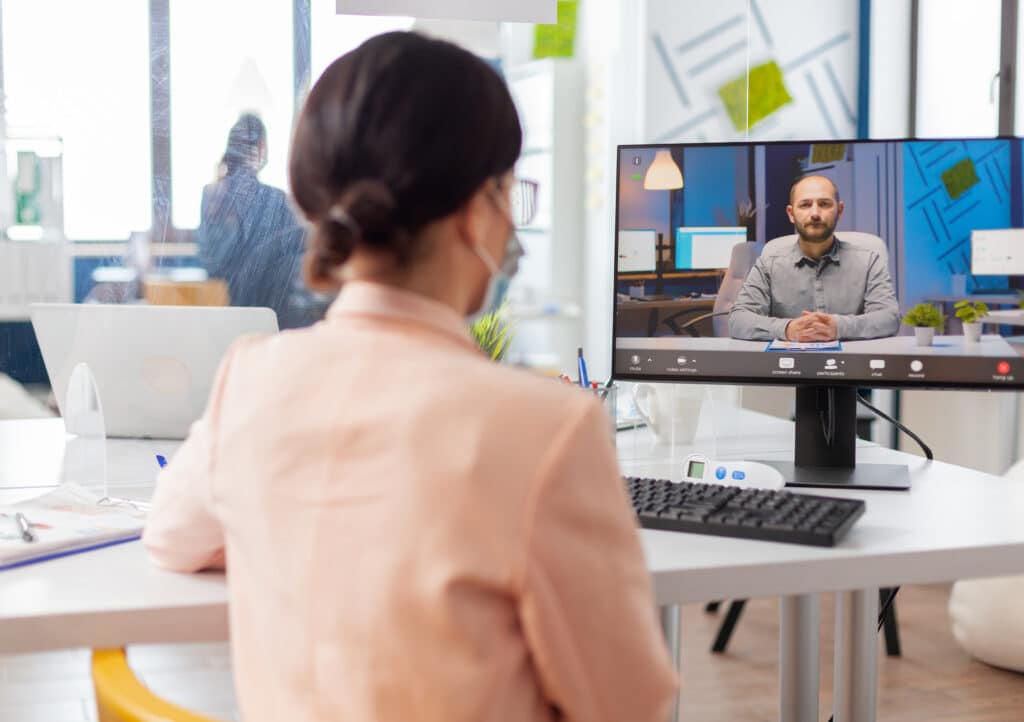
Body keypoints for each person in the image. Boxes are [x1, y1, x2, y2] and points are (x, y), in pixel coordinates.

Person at [143, 32, 677, 722]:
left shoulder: (249, 379)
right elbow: (629, 702)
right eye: (513, 191)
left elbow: (170, 537)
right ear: (474, 208)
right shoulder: (546, 428)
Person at [729, 175, 900, 342]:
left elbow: (889, 317)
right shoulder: (769, 262)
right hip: (787, 366)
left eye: (824, 204)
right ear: (791, 214)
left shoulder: (869, 261)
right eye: (805, 205)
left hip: (852, 366)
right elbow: (738, 320)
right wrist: (787, 329)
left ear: (839, 211)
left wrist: (839, 327)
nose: (815, 213)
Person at [197, 113, 317, 329]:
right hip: (271, 313)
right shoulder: (276, 199)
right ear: (261, 148)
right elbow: (293, 262)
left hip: (224, 311)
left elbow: (210, 262)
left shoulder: (211, 196)